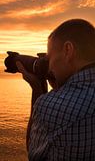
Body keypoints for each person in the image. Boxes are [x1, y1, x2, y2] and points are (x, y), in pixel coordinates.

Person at [16, 19, 95, 160]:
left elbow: (34, 154)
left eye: (50, 57)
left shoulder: (49, 106)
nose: (50, 67)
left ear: (68, 50)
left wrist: (37, 89)